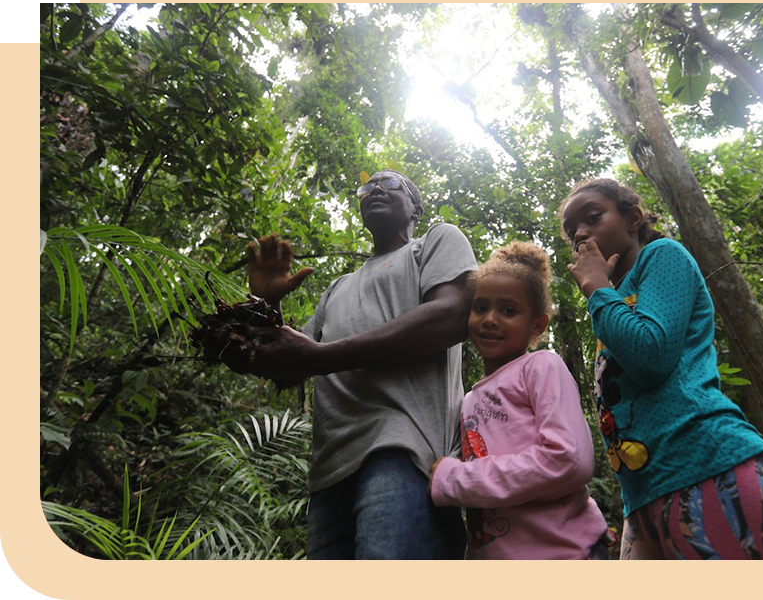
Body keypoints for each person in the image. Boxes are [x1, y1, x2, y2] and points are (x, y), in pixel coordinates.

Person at [239, 169, 478, 559]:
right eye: (367, 186)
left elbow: (451, 315)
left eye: (391, 183)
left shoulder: (434, 243)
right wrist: (268, 306)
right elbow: (288, 366)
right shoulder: (337, 288)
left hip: (404, 452)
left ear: (415, 207)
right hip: (328, 472)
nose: (376, 189)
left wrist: (320, 356)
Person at [559, 178, 763, 560]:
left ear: (633, 218)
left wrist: (598, 290)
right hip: (647, 494)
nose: (580, 233)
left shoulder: (663, 256)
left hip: (708, 464)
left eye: (592, 217)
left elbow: (652, 357)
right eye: (572, 232)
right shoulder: (612, 301)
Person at [428, 241, 611, 559]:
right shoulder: (470, 397)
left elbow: (568, 460)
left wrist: (453, 478)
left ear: (537, 324)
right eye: (481, 307)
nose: (490, 319)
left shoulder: (540, 366)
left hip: (566, 555)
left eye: (508, 311)